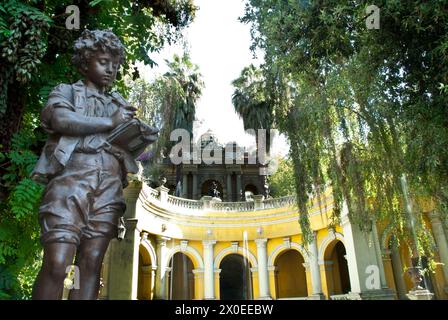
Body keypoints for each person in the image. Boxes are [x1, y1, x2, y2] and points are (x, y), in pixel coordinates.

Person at [31, 29, 150, 300]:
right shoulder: (67, 91)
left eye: (115, 65)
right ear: (86, 61)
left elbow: (124, 142)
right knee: (58, 262)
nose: (110, 70)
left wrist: (136, 135)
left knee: (91, 263)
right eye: (103, 62)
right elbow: (61, 121)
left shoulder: (118, 103)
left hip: (108, 185)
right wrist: (110, 123)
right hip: (71, 180)